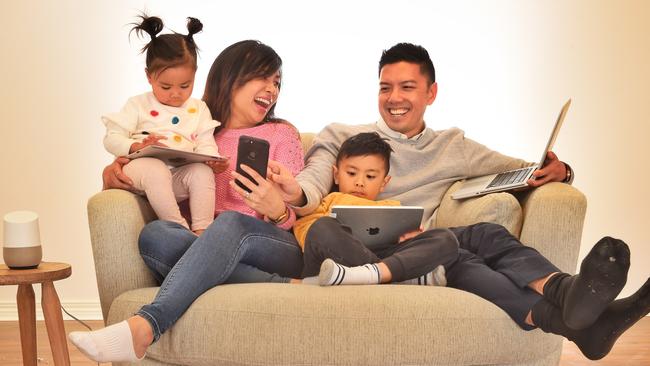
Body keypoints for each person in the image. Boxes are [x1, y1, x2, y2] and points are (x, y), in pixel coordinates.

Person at [269, 43, 650, 360]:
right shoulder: (341, 135)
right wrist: (296, 193)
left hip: (424, 242)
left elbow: (522, 168)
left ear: (430, 93)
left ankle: (564, 292)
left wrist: (560, 171)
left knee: (484, 235)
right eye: (385, 87)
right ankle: (575, 322)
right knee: (455, 255)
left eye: (407, 87)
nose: (394, 98)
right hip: (376, 251)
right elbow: (313, 181)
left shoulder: (453, 146)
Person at [69, 40, 306, 362]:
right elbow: (160, 182)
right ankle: (284, 285)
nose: (272, 89)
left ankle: (145, 326)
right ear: (230, 77)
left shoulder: (282, 134)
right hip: (205, 241)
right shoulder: (192, 137)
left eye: (277, 82)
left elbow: (300, 216)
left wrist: (276, 209)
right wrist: (116, 172)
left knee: (230, 222)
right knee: (155, 236)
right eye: (262, 77)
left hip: (272, 242)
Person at [103, 15, 221, 235]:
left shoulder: (199, 108)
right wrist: (134, 147)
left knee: (201, 172)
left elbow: (206, 141)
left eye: (185, 86)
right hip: (141, 172)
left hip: (175, 177)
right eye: (165, 87)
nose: (176, 94)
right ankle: (180, 230)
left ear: (195, 75)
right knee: (155, 169)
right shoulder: (138, 104)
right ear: (149, 77)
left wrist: (211, 159)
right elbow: (111, 138)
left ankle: (203, 232)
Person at [296, 132, 454, 286]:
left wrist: (411, 238)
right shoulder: (329, 201)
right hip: (337, 260)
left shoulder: (393, 208)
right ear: (336, 175)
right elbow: (306, 231)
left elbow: (408, 242)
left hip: (385, 257)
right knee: (322, 226)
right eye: (351, 173)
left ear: (384, 183)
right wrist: (336, 230)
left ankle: (373, 275)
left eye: (370, 176)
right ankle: (391, 279)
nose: (359, 182)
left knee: (445, 237)